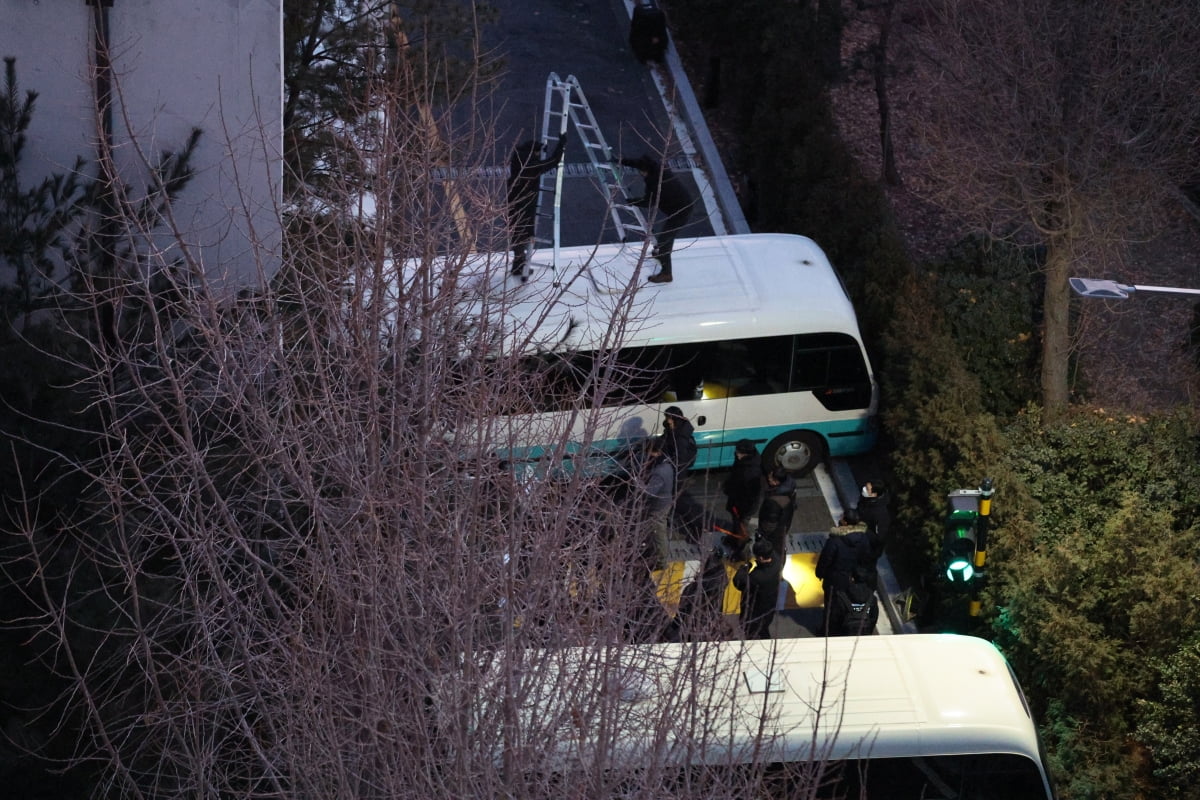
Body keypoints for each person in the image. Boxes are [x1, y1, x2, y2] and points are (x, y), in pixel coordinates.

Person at [620, 155, 694, 283]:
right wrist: (621, 161)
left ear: (645, 171)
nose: (640, 174)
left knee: (665, 240)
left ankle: (666, 274)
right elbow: (637, 162)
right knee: (664, 239)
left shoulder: (654, 182)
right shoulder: (656, 167)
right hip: (679, 205)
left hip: (681, 211)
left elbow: (648, 202)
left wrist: (632, 201)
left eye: (641, 172)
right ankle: (661, 255)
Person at [506, 136, 566, 280]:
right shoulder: (529, 167)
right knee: (522, 233)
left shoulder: (519, 159)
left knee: (518, 233)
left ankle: (518, 265)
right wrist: (561, 144)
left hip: (516, 201)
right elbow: (553, 162)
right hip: (524, 204)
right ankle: (519, 265)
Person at [733, 538, 782, 639]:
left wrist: (746, 566)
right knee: (764, 628)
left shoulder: (758, 577)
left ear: (760, 558)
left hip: (754, 611)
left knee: (751, 632)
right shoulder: (776, 561)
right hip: (769, 605)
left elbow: (738, 581)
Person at [640, 438, 676, 570]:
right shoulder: (667, 464)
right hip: (665, 502)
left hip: (658, 506)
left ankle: (662, 562)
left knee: (659, 534)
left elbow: (649, 492)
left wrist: (640, 485)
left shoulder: (659, 471)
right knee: (658, 531)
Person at [722, 439, 762, 532]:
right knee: (737, 523)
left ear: (747, 454)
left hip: (743, 507)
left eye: (739, 452)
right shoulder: (745, 462)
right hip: (738, 502)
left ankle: (738, 543)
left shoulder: (751, 472)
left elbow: (751, 495)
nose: (737, 454)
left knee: (741, 526)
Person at [827, 565, 879, 637]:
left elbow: (835, 618)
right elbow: (874, 618)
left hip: (845, 634)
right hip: (864, 633)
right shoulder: (872, 598)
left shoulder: (842, 596)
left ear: (852, 578)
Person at [758, 467, 797, 557]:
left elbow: (770, 523)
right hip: (785, 521)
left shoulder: (774, 501)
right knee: (779, 544)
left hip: (775, 531)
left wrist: (763, 533)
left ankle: (775, 561)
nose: (768, 477)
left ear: (776, 482)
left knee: (774, 547)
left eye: (771, 477)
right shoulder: (790, 484)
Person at [660, 406, 697, 476]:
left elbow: (681, 461)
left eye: (668, 418)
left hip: (678, 469)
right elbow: (662, 440)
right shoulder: (671, 430)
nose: (667, 421)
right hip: (672, 463)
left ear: (674, 419)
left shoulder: (681, 436)